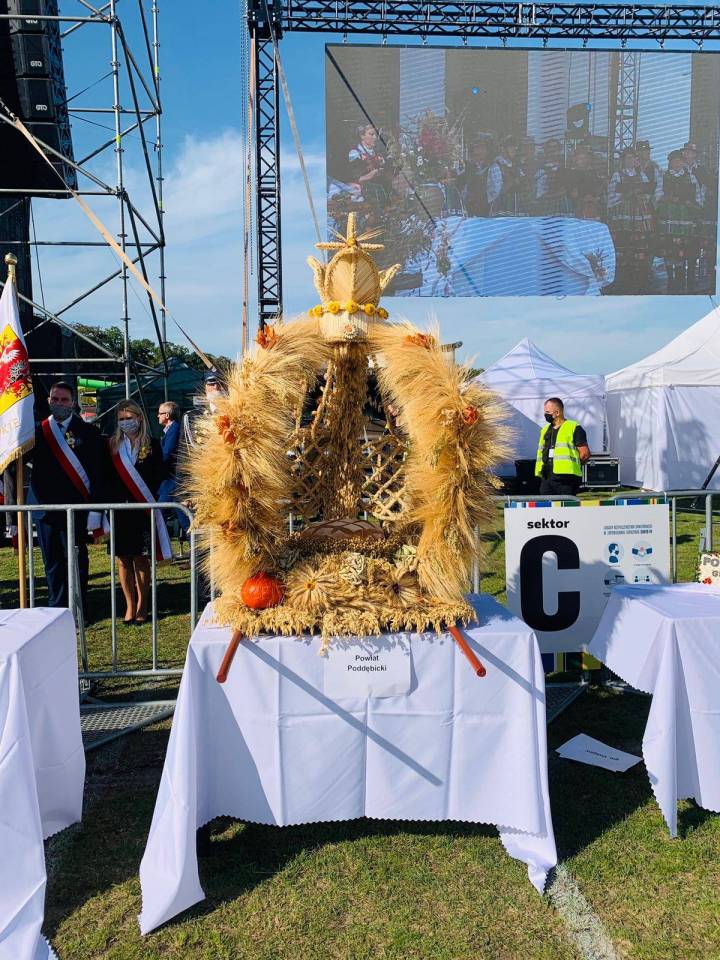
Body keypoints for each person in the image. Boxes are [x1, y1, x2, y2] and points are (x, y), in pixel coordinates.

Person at [29, 381, 105, 614]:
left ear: (73, 403)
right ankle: (57, 610)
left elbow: (98, 473)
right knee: (52, 561)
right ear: (48, 401)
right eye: (55, 399)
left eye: (64, 400)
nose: (59, 403)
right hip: (45, 508)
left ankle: (78, 609)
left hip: (76, 507)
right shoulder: (35, 433)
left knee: (76, 559)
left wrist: (96, 509)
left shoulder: (89, 432)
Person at [104, 400, 168, 625]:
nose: (125, 422)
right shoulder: (112, 445)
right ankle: (129, 605)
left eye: (129, 418)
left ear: (139, 418)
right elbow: (106, 477)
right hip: (120, 510)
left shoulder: (152, 445)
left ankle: (143, 604)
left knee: (141, 558)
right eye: (121, 419)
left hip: (143, 508)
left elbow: (159, 474)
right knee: (123, 559)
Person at [656, 149, 702, 293]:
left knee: (683, 245)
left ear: (683, 162)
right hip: (668, 216)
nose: (676, 163)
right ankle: (670, 276)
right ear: (669, 162)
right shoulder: (663, 176)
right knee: (668, 245)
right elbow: (657, 194)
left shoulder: (690, 176)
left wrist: (691, 203)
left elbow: (698, 195)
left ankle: (681, 276)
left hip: (684, 216)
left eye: (679, 161)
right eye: (674, 161)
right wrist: (667, 198)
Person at [535, 397, 590, 496]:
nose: (545, 415)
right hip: (547, 477)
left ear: (557, 413)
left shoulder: (573, 427)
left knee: (566, 504)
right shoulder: (544, 430)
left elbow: (585, 454)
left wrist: (571, 466)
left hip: (566, 479)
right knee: (546, 504)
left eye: (547, 412)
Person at [157, 400, 189, 541]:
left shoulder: (174, 429)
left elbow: (167, 453)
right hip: (170, 480)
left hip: (172, 479)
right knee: (181, 515)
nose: (157, 416)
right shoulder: (170, 430)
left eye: (160, 413)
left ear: (167, 415)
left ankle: (159, 545)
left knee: (160, 511)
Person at [454, 138, 501, 217]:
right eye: (476, 148)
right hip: (469, 206)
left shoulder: (493, 166)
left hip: (486, 207)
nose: (479, 151)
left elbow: (497, 187)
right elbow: (463, 184)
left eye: (482, 148)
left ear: (487, 151)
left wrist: (487, 201)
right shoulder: (467, 167)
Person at [183, 369, 226, 448]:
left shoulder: (240, 413)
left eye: (221, 383)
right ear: (205, 388)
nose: (216, 387)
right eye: (211, 383)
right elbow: (184, 449)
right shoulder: (192, 417)